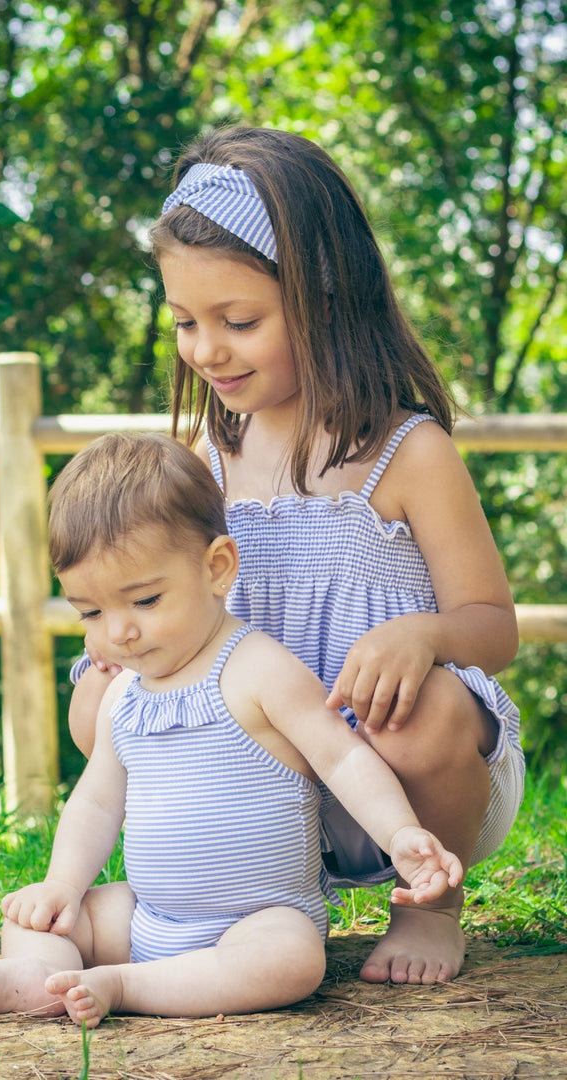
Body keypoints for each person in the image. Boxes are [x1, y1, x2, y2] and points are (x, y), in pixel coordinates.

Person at [68, 125, 525, 987]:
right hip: (271, 795)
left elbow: (494, 628)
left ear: (323, 297)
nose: (205, 350)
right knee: (102, 705)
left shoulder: (407, 452)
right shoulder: (205, 456)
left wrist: (423, 635)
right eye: (184, 323)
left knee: (427, 707)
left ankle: (430, 910)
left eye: (237, 321)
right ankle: (204, 902)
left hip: (400, 783)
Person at [0, 433, 463, 1028]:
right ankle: (36, 977)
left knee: (293, 961)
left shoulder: (258, 668)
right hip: (147, 916)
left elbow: (342, 761)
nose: (120, 632)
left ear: (216, 568)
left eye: (145, 600)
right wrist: (62, 885)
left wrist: (399, 834)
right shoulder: (122, 696)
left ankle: (124, 985)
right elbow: (98, 801)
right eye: (91, 612)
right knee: (37, 917)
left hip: (257, 919)